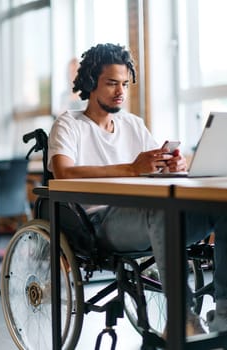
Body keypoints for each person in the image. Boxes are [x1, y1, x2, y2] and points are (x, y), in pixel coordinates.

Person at [48, 43, 227, 336]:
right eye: (112, 83)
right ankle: (183, 316)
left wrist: (170, 166)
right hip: (99, 223)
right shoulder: (70, 124)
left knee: (222, 210)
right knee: (161, 213)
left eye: (125, 84)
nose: (120, 91)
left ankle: (223, 313)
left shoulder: (132, 124)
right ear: (91, 83)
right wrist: (131, 168)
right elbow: (63, 171)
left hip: (145, 216)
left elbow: (149, 164)